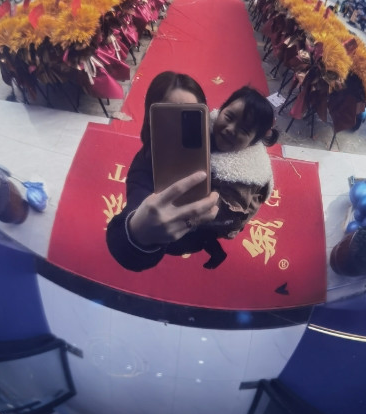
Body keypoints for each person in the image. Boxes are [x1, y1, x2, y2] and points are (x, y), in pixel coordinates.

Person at [106, 77, 277, 271]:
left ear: (204, 112)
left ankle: (213, 250)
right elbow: (134, 210)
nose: (230, 129)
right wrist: (137, 233)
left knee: (203, 241)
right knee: (184, 243)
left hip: (207, 232)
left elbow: (239, 211)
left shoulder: (246, 172)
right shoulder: (147, 162)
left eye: (189, 114)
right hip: (176, 238)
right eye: (168, 115)